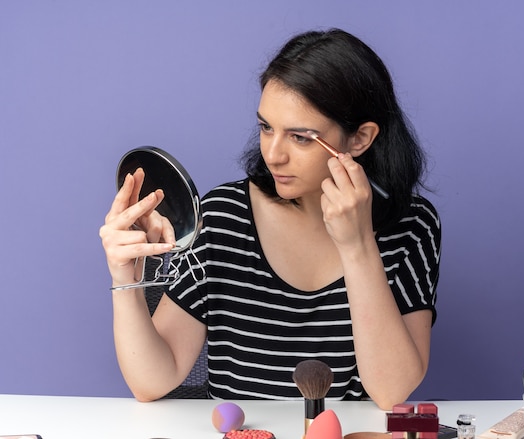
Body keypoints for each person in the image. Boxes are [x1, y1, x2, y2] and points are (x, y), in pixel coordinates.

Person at [99, 28, 441, 410]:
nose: (273, 155)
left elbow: (391, 392)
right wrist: (123, 278)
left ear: (360, 139)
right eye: (266, 128)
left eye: (300, 137)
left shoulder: (412, 226)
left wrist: (358, 245)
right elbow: (151, 382)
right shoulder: (222, 218)